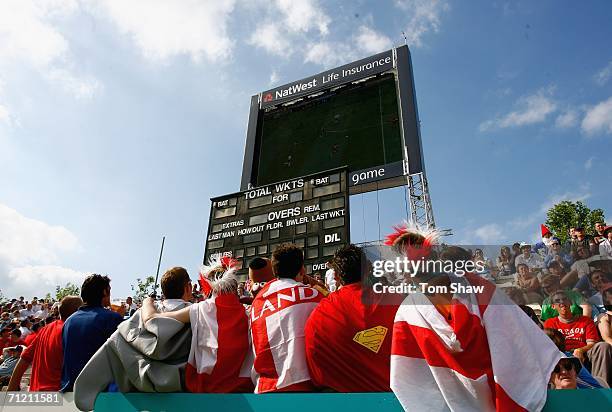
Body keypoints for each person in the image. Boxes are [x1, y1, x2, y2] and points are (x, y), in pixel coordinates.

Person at [386, 224, 561, 411]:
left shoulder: (480, 289)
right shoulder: (408, 312)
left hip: (499, 395)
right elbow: (411, 379)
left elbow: (519, 341)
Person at [140, 260, 253, 393]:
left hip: (204, 389)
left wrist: (147, 301)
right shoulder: (249, 311)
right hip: (244, 390)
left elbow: (151, 319)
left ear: (210, 286)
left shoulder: (199, 309)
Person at [305, 244, 399, 392]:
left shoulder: (319, 313)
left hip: (341, 403)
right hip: (398, 400)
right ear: (368, 269)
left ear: (335, 276)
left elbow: (316, 371)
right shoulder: (397, 300)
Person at [251, 243, 323, 393]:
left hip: (265, 391)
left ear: (274, 269)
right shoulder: (317, 296)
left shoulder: (257, 303)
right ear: (302, 269)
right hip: (307, 389)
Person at [61, 274, 123, 392]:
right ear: (105, 292)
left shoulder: (69, 321)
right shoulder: (111, 318)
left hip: (70, 390)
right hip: (100, 394)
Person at [7, 296, 82, 391]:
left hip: (37, 396)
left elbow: (24, 359)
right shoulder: (71, 330)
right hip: (59, 397)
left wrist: (10, 390)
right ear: (77, 311)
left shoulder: (45, 329)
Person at [543, 290, 611, 386]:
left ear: (570, 302)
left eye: (564, 299)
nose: (562, 302)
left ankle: (601, 386)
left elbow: (592, 343)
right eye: (557, 301)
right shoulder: (550, 323)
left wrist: (580, 350)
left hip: (585, 353)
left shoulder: (585, 320)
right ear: (553, 306)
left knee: (603, 346)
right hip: (563, 356)